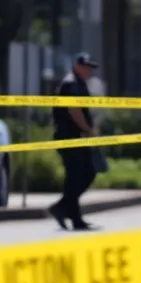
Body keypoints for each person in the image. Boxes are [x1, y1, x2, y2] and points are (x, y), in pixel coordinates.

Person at [48, 52, 101, 231]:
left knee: (82, 175)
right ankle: (65, 211)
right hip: (69, 137)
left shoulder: (78, 83)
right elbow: (74, 109)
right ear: (77, 66)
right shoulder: (71, 83)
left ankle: (69, 212)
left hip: (76, 137)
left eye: (90, 68)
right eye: (87, 67)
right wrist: (87, 129)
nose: (89, 71)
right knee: (80, 175)